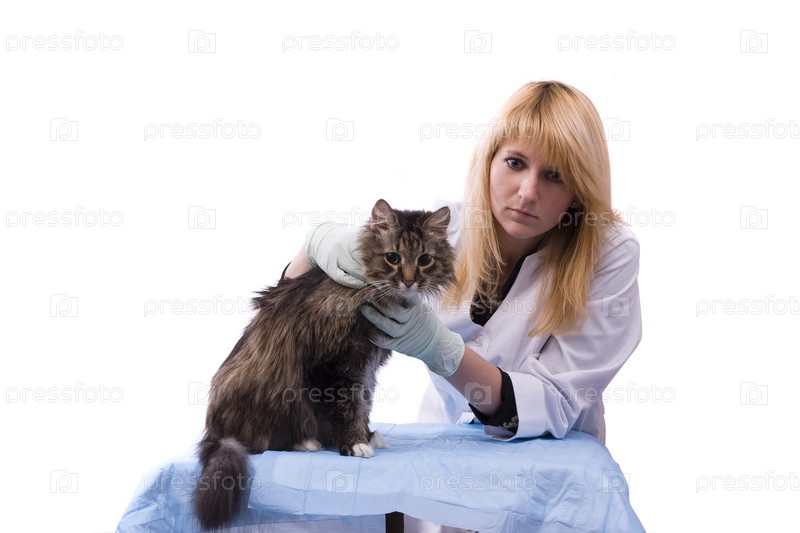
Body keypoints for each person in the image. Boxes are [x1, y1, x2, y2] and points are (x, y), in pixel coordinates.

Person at [285, 81, 642, 532]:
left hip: (548, 479)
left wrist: (442, 351)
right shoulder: (443, 231)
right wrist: (312, 249)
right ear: (489, 158)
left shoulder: (610, 254)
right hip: (441, 464)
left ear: (579, 189)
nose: (527, 192)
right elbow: (293, 324)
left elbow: (553, 403)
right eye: (515, 163)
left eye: (555, 176)